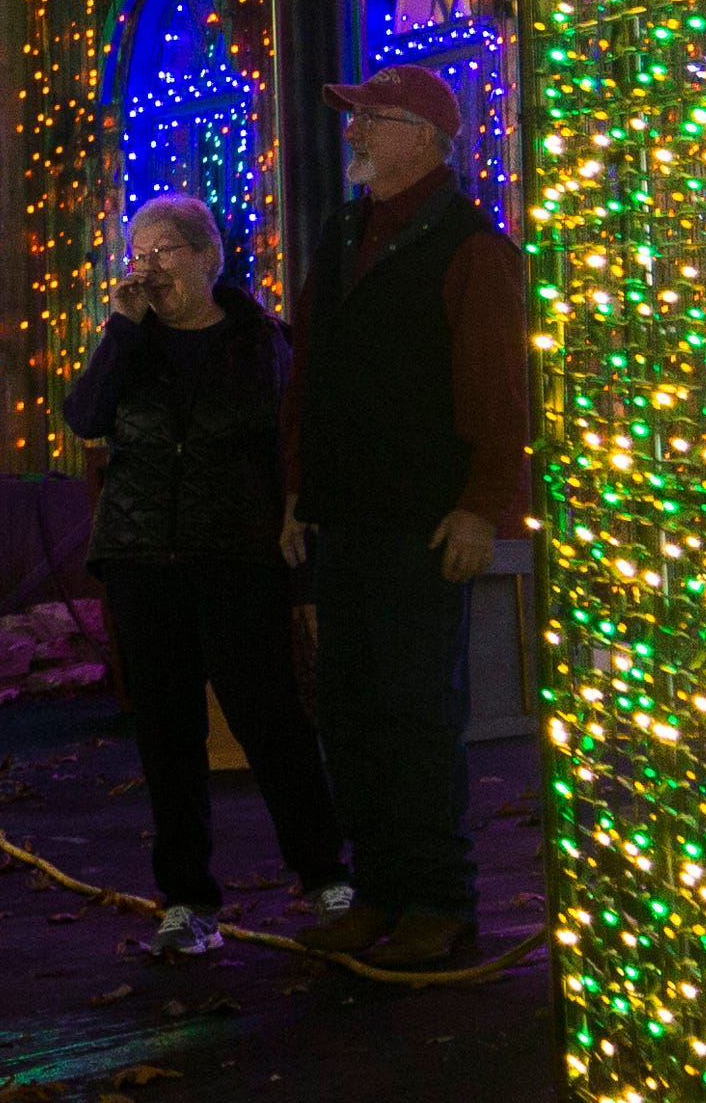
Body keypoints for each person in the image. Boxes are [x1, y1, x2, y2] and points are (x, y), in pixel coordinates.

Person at [280, 65, 535, 974]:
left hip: (423, 520)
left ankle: (441, 899)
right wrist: (298, 491)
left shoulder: (470, 246)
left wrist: (479, 507)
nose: (355, 132)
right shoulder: (347, 229)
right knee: (348, 711)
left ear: (421, 135)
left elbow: (501, 391)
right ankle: (380, 888)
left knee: (419, 711)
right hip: (346, 514)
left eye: (372, 119)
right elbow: (312, 367)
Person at [63, 194, 348, 959]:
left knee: (269, 715)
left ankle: (323, 871)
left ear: (204, 255)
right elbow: (84, 416)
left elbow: (292, 441)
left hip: (234, 552)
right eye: (138, 251)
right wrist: (120, 331)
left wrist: (295, 524)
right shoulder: (131, 342)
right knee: (166, 730)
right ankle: (187, 899)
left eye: (163, 251)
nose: (148, 268)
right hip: (141, 554)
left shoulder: (259, 339)